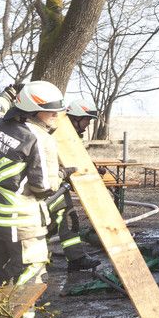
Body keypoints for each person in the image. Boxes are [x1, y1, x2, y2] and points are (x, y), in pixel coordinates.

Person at [0, 80, 65, 318]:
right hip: (23, 225)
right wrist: (63, 175)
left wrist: (6, 94)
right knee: (29, 282)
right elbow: (44, 187)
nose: (56, 117)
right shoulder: (40, 139)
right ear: (33, 111)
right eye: (51, 112)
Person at [43, 99, 102, 271]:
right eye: (87, 120)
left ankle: (75, 258)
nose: (88, 124)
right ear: (75, 118)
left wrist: (92, 170)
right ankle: (39, 258)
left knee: (65, 221)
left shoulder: (70, 138)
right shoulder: (53, 136)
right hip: (48, 188)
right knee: (50, 224)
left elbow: (74, 162)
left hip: (59, 187)